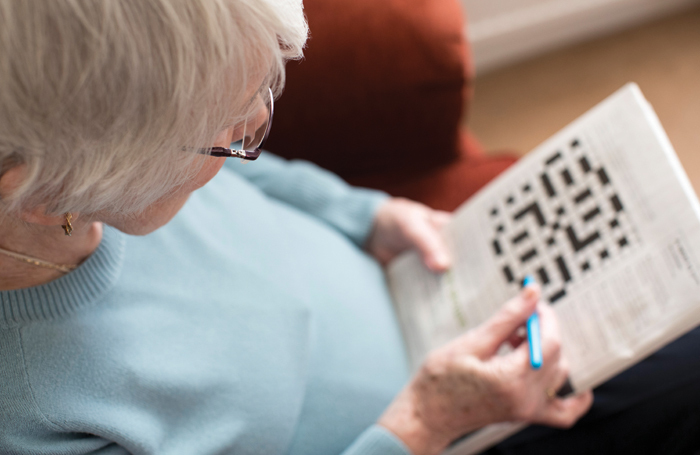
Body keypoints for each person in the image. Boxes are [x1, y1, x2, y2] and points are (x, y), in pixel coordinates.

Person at [0, 2, 697, 455]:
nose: (248, 139)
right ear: (41, 192)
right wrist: (424, 425)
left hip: (418, 301)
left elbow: (250, 176)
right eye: (225, 136)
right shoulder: (37, 414)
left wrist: (364, 214)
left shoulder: (99, 178)